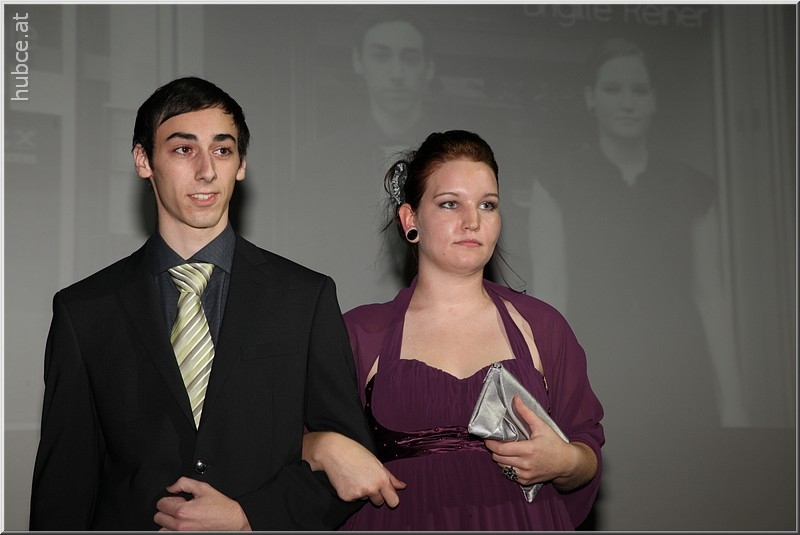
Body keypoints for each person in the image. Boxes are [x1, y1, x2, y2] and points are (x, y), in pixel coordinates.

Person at [28, 76, 399, 531]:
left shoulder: (304, 296)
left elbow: (350, 466)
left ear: (241, 164)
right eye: (184, 149)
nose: (206, 170)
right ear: (144, 160)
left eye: (222, 150)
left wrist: (249, 517)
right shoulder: (84, 311)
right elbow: (64, 487)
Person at [310, 130, 604, 530]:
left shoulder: (542, 327)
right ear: (410, 219)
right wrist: (323, 446)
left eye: (487, 205)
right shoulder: (361, 333)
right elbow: (285, 446)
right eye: (450, 204)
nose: (472, 221)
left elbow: (586, 448)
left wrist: (566, 460)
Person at [528, 37, 745, 430]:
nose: (627, 102)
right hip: (594, 373)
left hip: (681, 376)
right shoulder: (557, 180)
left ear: (654, 100)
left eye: (639, 90)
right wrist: (545, 395)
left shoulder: (692, 188)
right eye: (613, 89)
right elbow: (551, 294)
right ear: (591, 97)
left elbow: (711, 297)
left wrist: (734, 404)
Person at [283, 7, 441, 311]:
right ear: (358, 61)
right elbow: (308, 254)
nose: (396, 73)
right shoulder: (319, 161)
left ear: (428, 67)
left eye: (409, 58)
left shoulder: (453, 162)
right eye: (381, 56)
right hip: (342, 315)